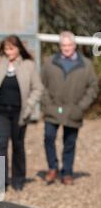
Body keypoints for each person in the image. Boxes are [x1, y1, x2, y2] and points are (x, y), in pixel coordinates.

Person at [0, 35, 43, 191]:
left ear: (19, 48)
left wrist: (29, 106)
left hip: (20, 113)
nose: (8, 52)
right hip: (1, 112)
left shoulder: (28, 65)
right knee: (1, 145)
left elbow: (38, 88)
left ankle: (18, 179)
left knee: (18, 145)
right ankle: (0, 181)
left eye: (11, 48)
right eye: (6, 48)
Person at [42, 31, 99, 185]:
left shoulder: (86, 64)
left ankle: (67, 172)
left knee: (70, 142)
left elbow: (93, 87)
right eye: (63, 45)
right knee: (48, 137)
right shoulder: (50, 62)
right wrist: (47, 103)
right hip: (53, 109)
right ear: (60, 46)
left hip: (73, 110)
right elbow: (42, 84)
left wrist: (81, 106)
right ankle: (52, 168)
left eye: (69, 45)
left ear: (74, 45)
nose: (66, 48)